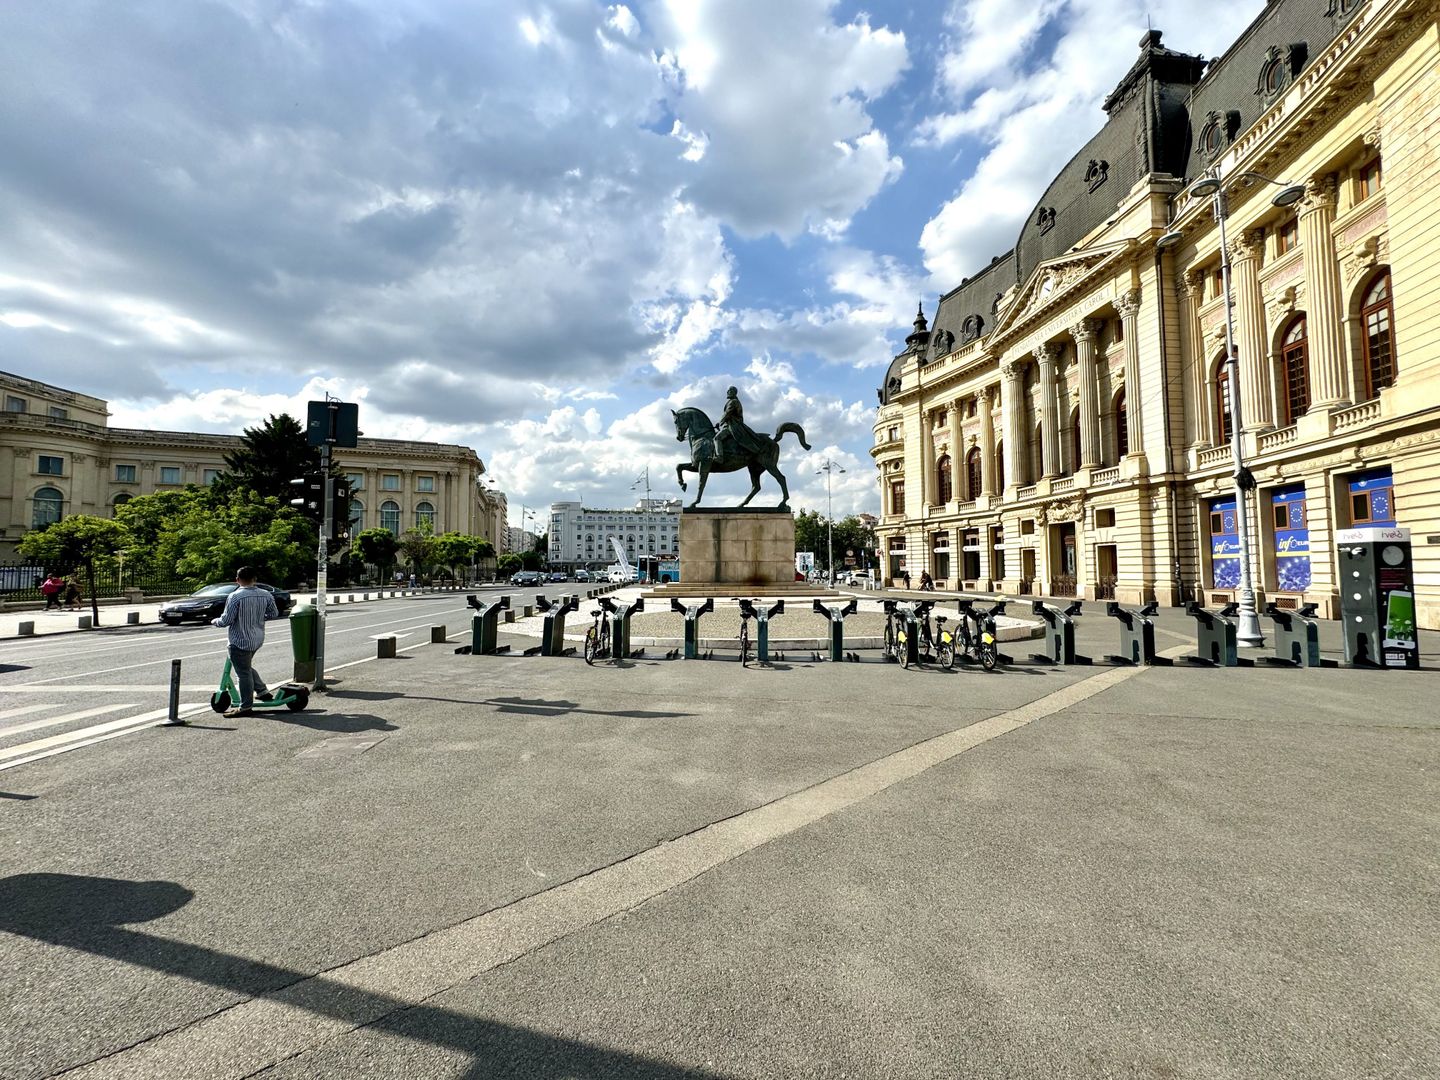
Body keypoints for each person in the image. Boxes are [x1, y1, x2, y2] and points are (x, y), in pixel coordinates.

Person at [211, 566, 280, 718]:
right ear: (254, 579)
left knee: (243, 673)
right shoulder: (266, 594)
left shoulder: (235, 596)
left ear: (237, 580)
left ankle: (245, 707)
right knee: (245, 667)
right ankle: (262, 692)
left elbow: (226, 620)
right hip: (257, 639)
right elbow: (274, 613)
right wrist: (259, 618)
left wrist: (215, 621)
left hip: (239, 640)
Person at [713, 386, 765, 459]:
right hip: (730, 425)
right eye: (728, 391)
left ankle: (719, 457)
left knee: (717, 438)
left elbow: (727, 413)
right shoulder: (733, 401)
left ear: (734, 393)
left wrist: (720, 422)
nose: (727, 392)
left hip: (733, 426)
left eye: (730, 391)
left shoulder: (733, 402)